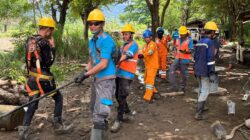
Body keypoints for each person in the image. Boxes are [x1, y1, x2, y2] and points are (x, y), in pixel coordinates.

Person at [19, 17, 71, 140]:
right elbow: (48, 63)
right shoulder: (44, 43)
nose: (52, 33)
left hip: (31, 79)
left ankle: (23, 132)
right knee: (58, 97)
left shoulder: (29, 40)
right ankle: (58, 126)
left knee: (32, 102)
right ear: (47, 30)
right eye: (52, 30)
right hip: (43, 80)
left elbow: (28, 60)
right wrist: (53, 48)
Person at [74, 9, 116, 140]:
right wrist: (83, 72)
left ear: (102, 24)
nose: (92, 26)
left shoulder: (106, 40)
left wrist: (86, 75)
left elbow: (103, 64)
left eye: (96, 23)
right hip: (96, 78)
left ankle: (98, 136)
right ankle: (102, 133)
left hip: (106, 79)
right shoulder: (92, 41)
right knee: (93, 108)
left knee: (101, 111)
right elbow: (91, 61)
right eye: (90, 23)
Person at [110, 23, 138, 133]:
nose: (124, 36)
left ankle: (119, 119)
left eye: (126, 34)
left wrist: (118, 59)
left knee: (121, 96)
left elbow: (128, 55)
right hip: (119, 73)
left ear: (131, 35)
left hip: (127, 75)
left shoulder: (134, 45)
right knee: (117, 95)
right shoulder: (122, 46)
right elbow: (118, 56)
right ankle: (128, 113)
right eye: (124, 34)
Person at [193, 21, 217, 120]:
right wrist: (212, 72)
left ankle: (201, 107)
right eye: (214, 32)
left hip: (197, 69)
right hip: (205, 71)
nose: (214, 34)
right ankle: (198, 113)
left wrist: (195, 68)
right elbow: (210, 59)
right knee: (205, 91)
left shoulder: (199, 42)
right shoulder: (210, 42)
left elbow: (195, 57)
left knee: (200, 88)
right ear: (211, 32)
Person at [169, 26, 193, 92]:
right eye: (181, 34)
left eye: (183, 34)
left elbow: (191, 50)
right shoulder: (178, 39)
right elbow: (176, 47)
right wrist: (174, 50)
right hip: (177, 58)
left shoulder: (189, 40)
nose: (182, 35)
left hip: (185, 59)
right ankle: (174, 86)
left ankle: (182, 87)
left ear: (186, 33)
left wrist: (185, 52)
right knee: (171, 70)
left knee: (183, 74)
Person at [138, 29, 159, 102]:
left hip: (153, 66)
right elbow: (141, 52)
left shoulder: (152, 44)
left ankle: (147, 97)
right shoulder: (145, 45)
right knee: (146, 80)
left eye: (147, 37)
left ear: (150, 37)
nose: (146, 39)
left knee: (149, 82)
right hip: (148, 66)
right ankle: (155, 92)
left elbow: (150, 52)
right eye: (145, 37)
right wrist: (139, 54)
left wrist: (143, 55)